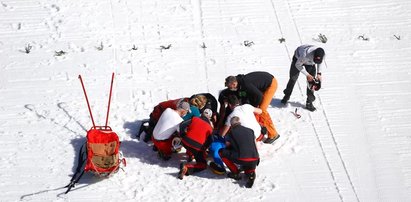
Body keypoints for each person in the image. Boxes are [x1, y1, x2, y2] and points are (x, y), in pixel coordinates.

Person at [224, 71, 280, 143]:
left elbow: (259, 96)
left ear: (234, 84)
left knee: (261, 110)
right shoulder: (238, 82)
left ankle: (273, 134)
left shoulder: (246, 84)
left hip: (270, 83)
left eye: (229, 87)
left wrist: (253, 106)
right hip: (262, 84)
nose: (229, 89)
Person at [281, 45, 325, 112]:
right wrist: (307, 75)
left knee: (312, 83)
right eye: (315, 60)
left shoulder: (322, 55)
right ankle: (287, 95)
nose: (317, 62)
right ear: (313, 55)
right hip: (298, 59)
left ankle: (309, 102)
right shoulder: (305, 55)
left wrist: (319, 74)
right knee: (293, 79)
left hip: (310, 63)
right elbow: (297, 65)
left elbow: (320, 63)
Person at [219, 116, 260, 188]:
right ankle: (250, 173)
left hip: (243, 158)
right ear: (239, 122)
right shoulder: (250, 130)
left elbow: (227, 145)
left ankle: (235, 172)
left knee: (222, 152)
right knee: (247, 157)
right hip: (255, 158)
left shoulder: (231, 132)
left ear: (231, 125)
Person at [177, 109, 214, 179]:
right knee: (203, 164)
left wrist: (182, 135)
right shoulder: (210, 128)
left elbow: (182, 124)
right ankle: (187, 168)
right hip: (196, 147)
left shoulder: (194, 118)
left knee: (191, 146)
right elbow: (210, 141)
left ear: (202, 114)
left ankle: (190, 154)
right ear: (209, 118)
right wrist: (204, 148)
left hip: (185, 142)